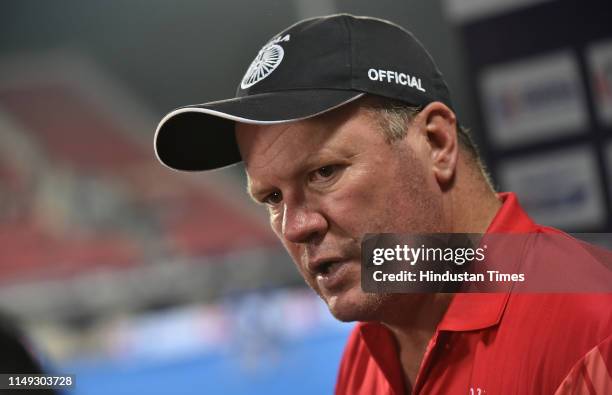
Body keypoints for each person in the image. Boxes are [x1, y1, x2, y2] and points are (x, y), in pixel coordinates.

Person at [154, 14, 612, 394]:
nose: (295, 227)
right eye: (271, 197)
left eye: (324, 173)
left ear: (436, 143)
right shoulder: (367, 354)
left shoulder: (594, 328)